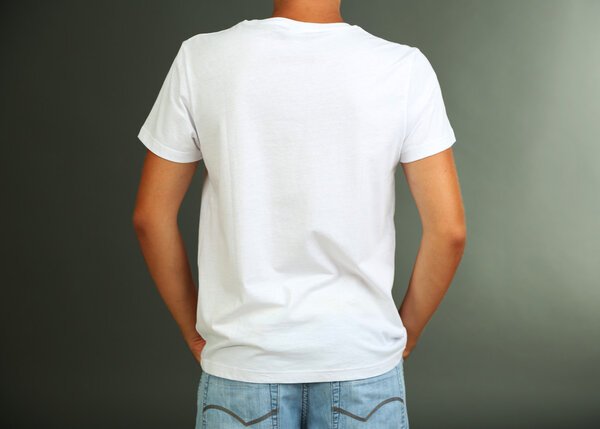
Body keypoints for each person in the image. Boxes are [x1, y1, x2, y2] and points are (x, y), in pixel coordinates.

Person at [133, 0, 465, 427]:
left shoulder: (202, 59)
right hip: (360, 359)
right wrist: (405, 333)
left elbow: (149, 217)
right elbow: (449, 231)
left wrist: (193, 332)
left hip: (244, 362)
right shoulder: (402, 69)